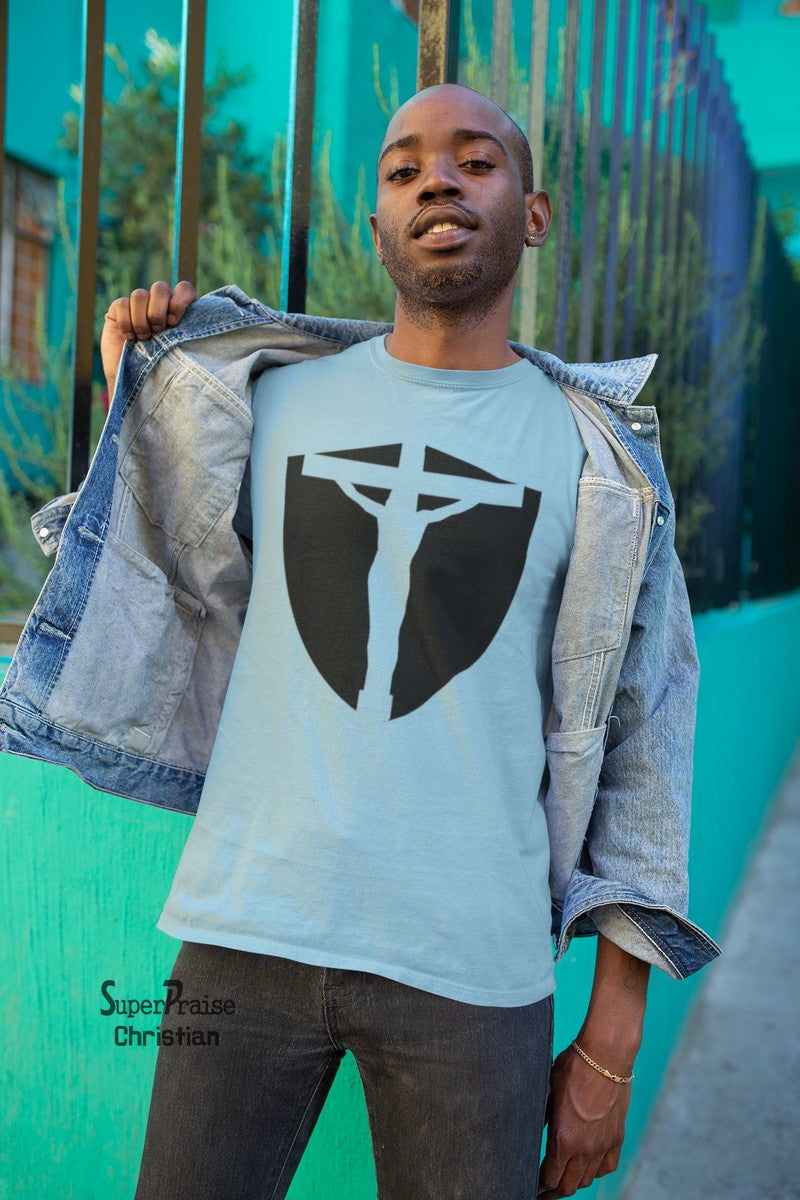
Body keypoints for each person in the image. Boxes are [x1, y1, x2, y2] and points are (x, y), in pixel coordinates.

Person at [1, 84, 719, 1199]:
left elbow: (645, 739)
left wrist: (610, 1042)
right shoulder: (265, 402)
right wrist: (137, 390)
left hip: (473, 971)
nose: (437, 180)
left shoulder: (602, 466)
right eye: (403, 168)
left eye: (474, 160)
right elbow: (165, 581)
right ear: (375, 222)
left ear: (533, 213)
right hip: (242, 928)